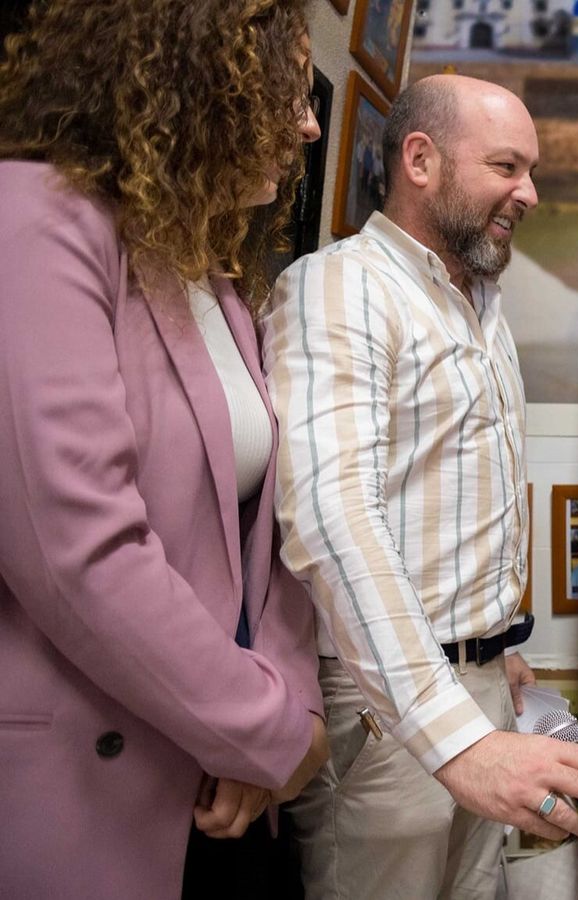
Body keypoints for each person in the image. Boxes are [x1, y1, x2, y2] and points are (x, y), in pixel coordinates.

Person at [265, 74, 578, 899]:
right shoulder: (341, 287)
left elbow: (450, 496)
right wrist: (454, 736)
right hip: (387, 716)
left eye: (529, 171)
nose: (528, 192)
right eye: (506, 165)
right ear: (420, 160)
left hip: (486, 684)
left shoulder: (480, 302)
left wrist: (495, 642)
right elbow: (333, 517)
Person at [0, 2, 331, 895]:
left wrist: (284, 696)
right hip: (88, 787)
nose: (306, 122)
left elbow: (265, 530)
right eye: (284, 89)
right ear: (194, 80)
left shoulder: (203, 266)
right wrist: (266, 726)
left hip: (222, 777)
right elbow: (82, 555)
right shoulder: (37, 219)